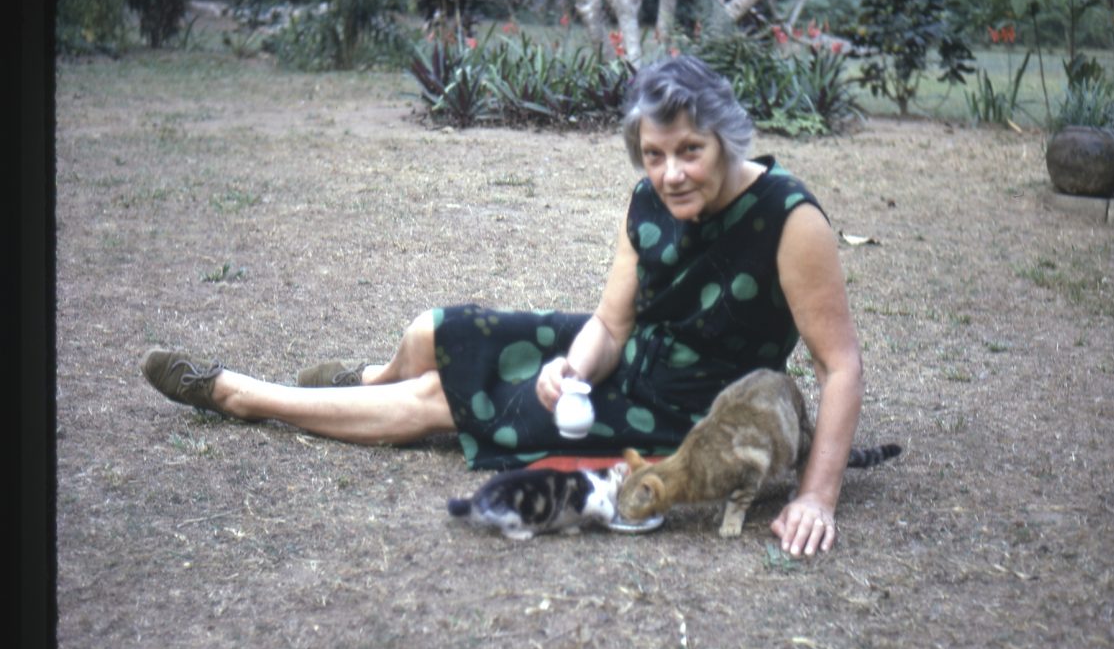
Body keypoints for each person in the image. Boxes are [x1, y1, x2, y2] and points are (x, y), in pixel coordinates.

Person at [140, 55, 864, 558]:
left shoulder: (788, 218)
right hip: (630, 361)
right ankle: (360, 381)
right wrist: (571, 370)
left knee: (433, 401)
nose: (670, 173)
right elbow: (611, 325)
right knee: (431, 333)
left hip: (684, 409)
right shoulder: (650, 199)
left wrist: (818, 497)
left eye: (690, 151)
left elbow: (840, 366)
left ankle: (242, 396)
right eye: (653, 154)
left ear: (726, 138)